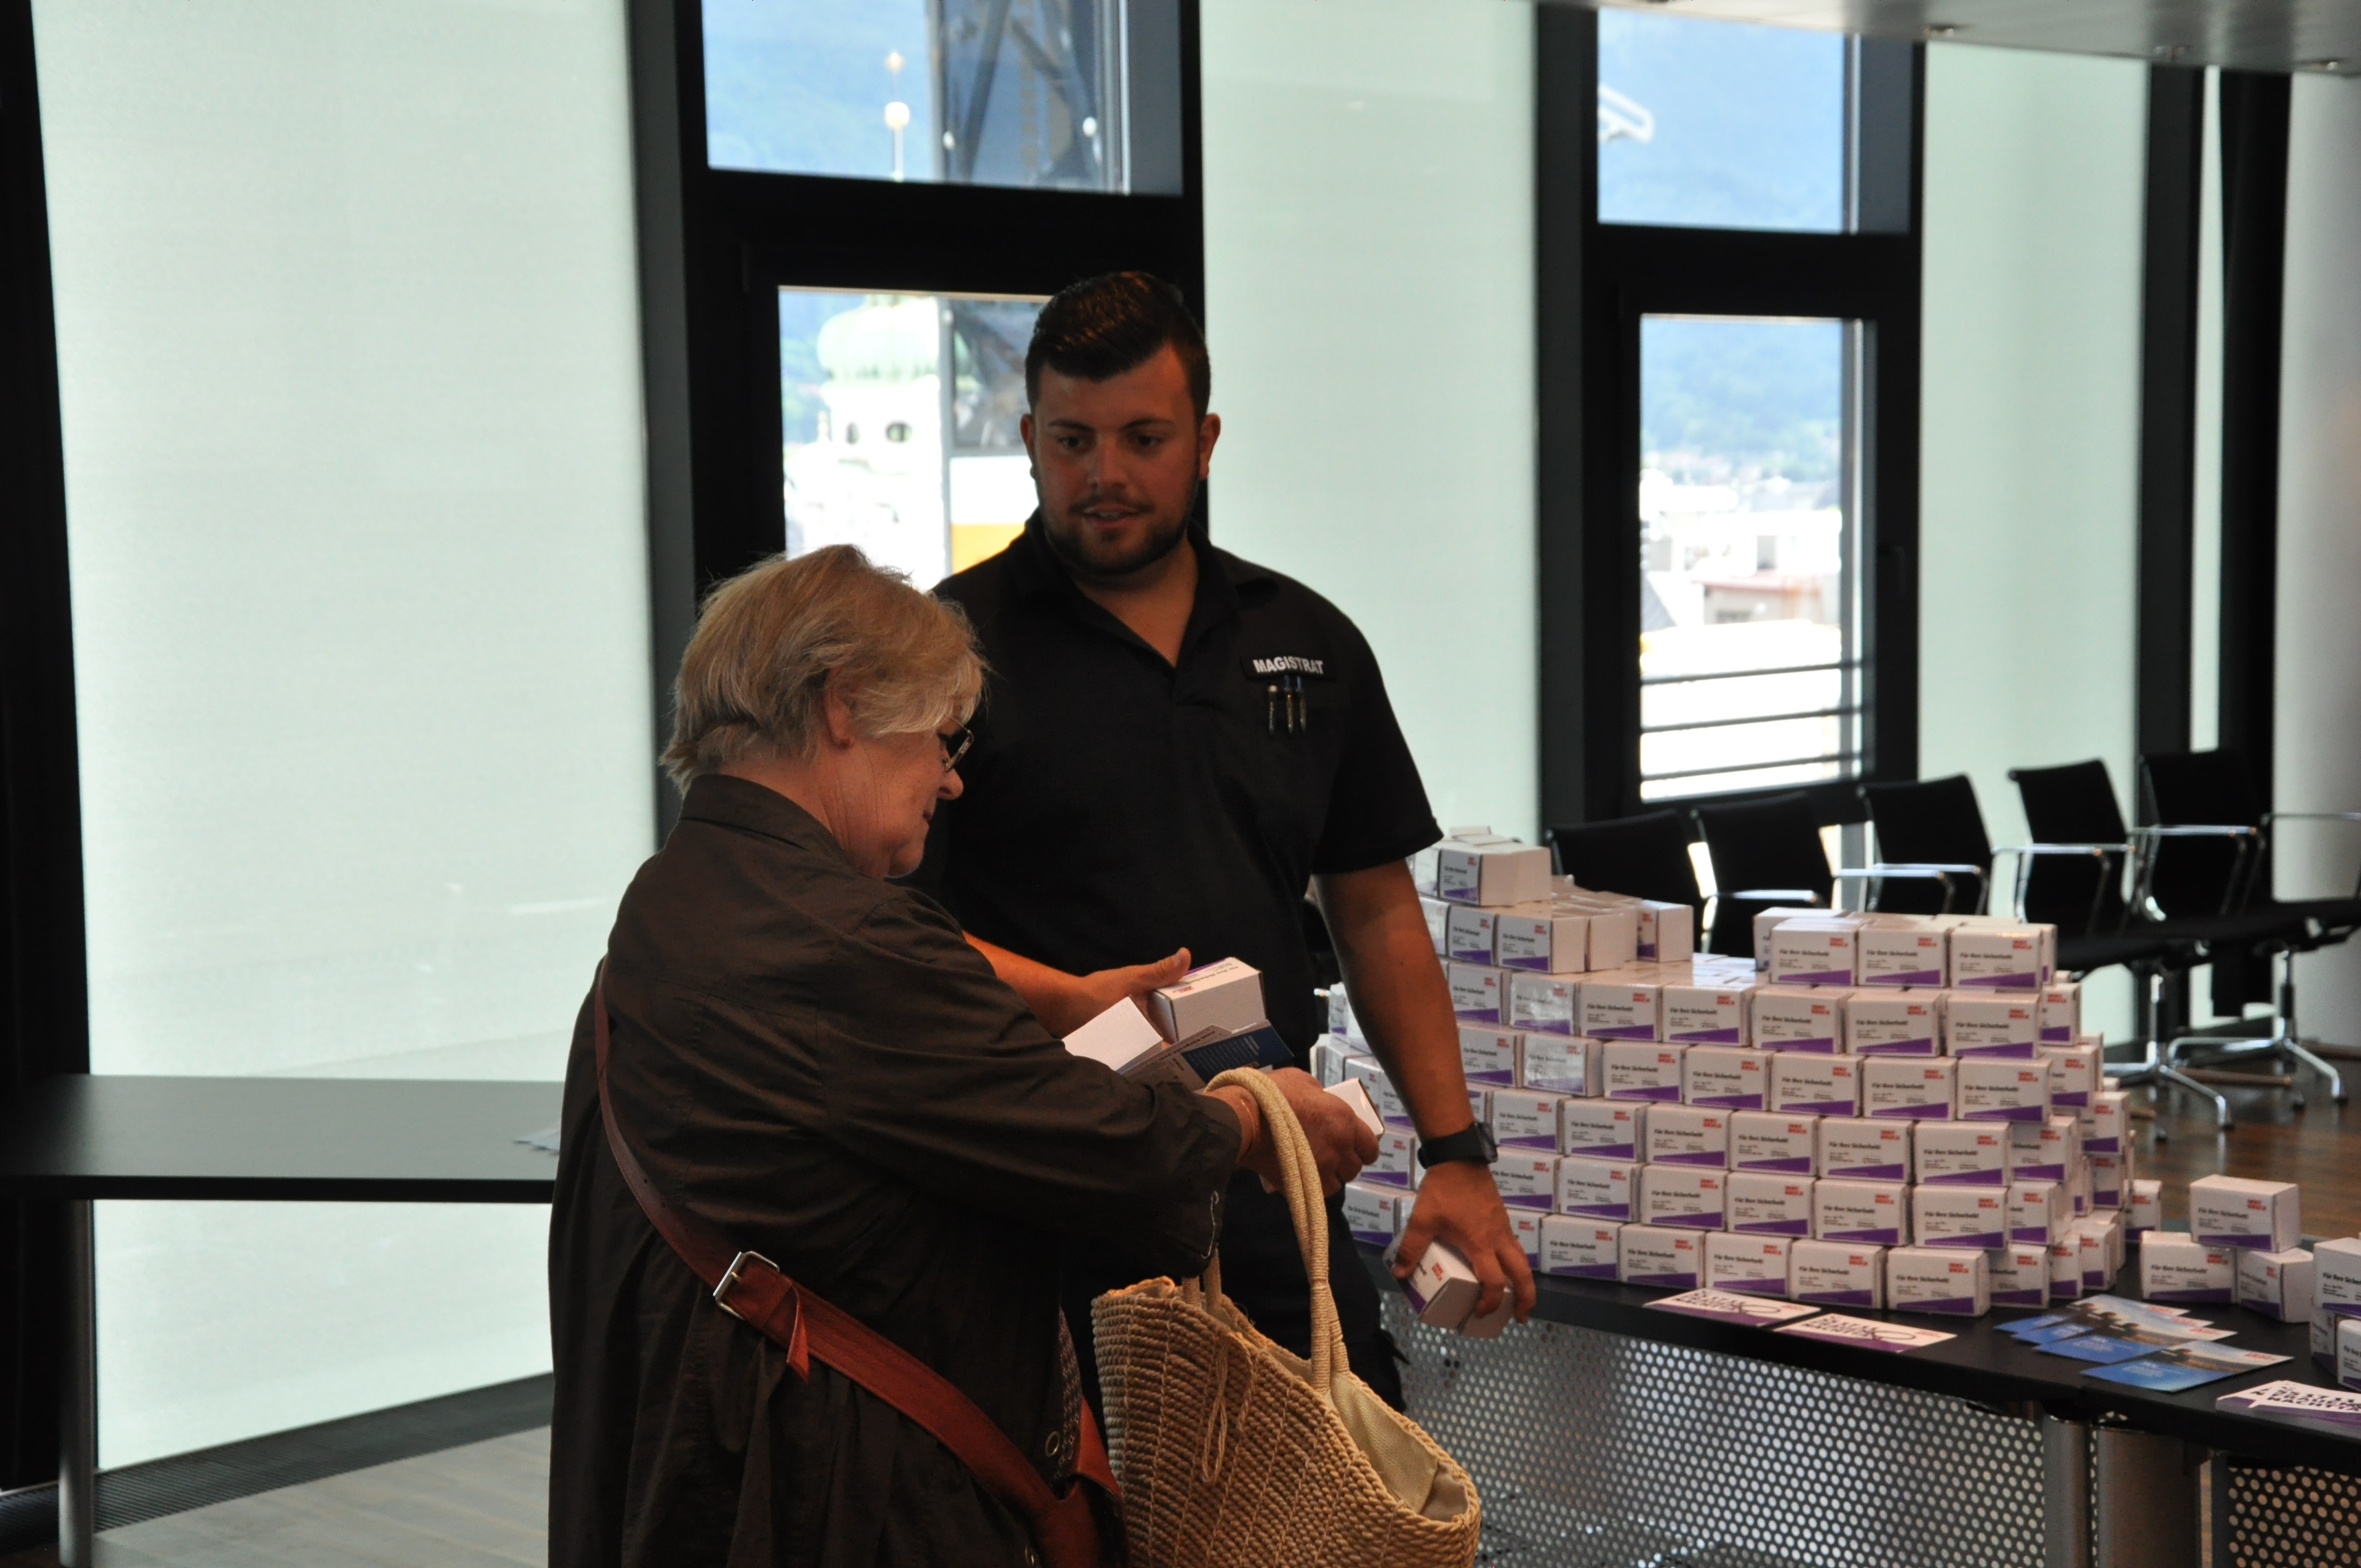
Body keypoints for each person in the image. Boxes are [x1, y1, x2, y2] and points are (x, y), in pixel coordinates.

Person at [546, 544, 1375, 1567]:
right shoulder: (845, 937)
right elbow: (1113, 1151)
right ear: (843, 704)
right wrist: (1257, 1116)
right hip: (837, 1493)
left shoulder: (680, 893)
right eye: (941, 739)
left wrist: (1068, 1003)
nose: (949, 779)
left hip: (699, 1464)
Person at [918, 272, 1537, 1414]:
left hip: (1270, 1175)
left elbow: (1377, 914)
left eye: (1144, 438)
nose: (1104, 473)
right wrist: (1073, 1002)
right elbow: (896, 940)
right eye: (1072, 440)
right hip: (1046, 1196)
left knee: (1346, 1483)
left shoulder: (1304, 639)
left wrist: (1455, 1153)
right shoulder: (947, 653)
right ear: (1030, 441)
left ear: (1204, 443)